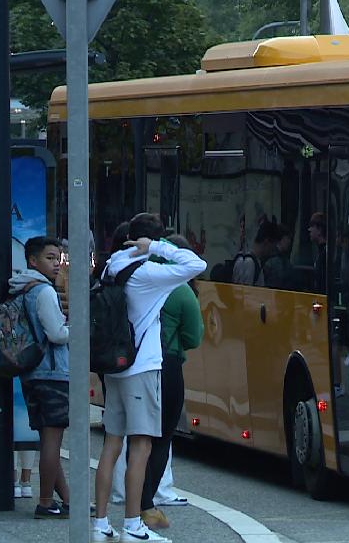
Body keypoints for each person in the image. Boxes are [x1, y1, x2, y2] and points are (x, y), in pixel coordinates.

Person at [92, 213, 206, 542]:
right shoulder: (151, 273)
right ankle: (132, 524)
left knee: (112, 444)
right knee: (141, 446)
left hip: (114, 365)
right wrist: (158, 247)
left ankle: (100, 523)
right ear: (156, 239)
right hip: (141, 368)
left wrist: (143, 246)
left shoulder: (114, 263)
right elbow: (195, 263)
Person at [9, 236, 70, 519]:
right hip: (52, 371)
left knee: (48, 439)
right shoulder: (43, 292)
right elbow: (57, 334)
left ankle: (69, 500)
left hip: (31, 372)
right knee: (52, 440)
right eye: (49, 258)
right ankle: (45, 502)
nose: (56, 264)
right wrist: (76, 327)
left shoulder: (21, 289)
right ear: (33, 260)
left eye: (57, 258)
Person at [263, 223, 295, 289]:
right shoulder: (270, 260)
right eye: (288, 238)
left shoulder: (285, 259)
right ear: (281, 238)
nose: (289, 241)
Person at [309, 212, 327, 292]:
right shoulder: (320, 252)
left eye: (312, 226)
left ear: (319, 230)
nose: (309, 229)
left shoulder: (325, 254)